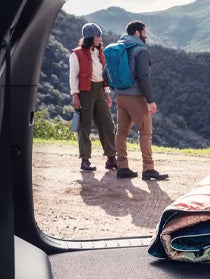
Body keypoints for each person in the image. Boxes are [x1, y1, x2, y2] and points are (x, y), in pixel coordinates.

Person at [110, 20, 169, 180]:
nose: (146, 35)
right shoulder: (140, 50)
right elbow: (143, 77)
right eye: (144, 32)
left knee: (121, 132)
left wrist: (116, 89)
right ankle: (148, 168)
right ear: (137, 33)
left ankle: (122, 167)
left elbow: (105, 73)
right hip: (136, 97)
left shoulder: (118, 48)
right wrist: (150, 100)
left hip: (120, 97)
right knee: (145, 132)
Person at [69, 23, 118, 171]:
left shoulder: (99, 52)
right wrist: (75, 96)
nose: (100, 38)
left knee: (107, 123)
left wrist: (107, 94)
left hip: (99, 90)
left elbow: (104, 76)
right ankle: (85, 160)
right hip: (84, 91)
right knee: (85, 125)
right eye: (97, 36)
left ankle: (111, 158)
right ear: (90, 37)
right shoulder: (76, 54)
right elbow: (73, 77)